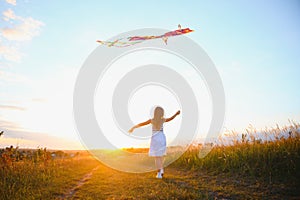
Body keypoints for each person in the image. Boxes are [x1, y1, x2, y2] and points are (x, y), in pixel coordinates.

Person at [128, 106, 180, 179]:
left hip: (155, 137)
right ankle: (161, 170)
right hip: (162, 137)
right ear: (162, 113)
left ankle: (159, 173)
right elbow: (171, 118)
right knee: (160, 156)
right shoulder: (163, 120)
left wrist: (132, 128)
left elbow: (141, 124)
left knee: (157, 157)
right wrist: (176, 114)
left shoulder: (152, 120)